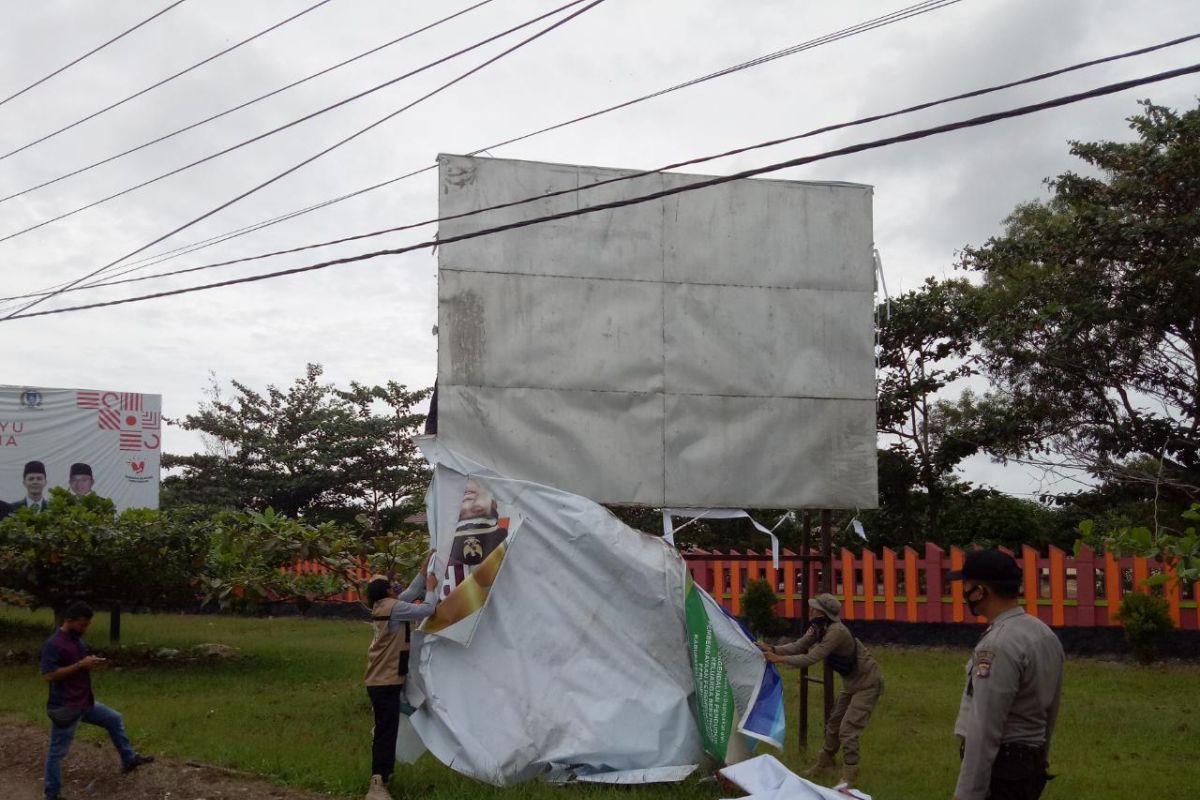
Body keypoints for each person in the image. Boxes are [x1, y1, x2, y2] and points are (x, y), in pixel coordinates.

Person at [948, 549, 1064, 800]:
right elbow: (1051, 708)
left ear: (980, 591)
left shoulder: (998, 644)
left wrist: (967, 794)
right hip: (1028, 764)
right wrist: (1041, 757)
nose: (964, 592)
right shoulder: (1042, 633)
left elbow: (985, 725)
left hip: (1003, 768)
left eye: (966, 585)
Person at [761, 594, 883, 787]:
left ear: (824, 613)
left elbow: (811, 658)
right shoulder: (818, 628)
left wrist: (779, 660)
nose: (811, 610)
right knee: (834, 724)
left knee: (848, 729)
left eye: (815, 608)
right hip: (851, 684)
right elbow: (800, 646)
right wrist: (773, 649)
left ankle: (850, 774)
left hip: (868, 683)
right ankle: (824, 763)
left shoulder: (836, 632)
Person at [40, 601, 154, 800]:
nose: (85, 629)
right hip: (66, 706)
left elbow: (78, 664)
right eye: (82, 625)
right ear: (68, 620)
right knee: (57, 752)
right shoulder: (54, 644)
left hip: (85, 702)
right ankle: (51, 794)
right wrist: (79, 665)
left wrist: (90, 662)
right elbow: (49, 675)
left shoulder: (77, 640)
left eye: (87, 625)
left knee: (114, 718)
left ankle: (129, 760)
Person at [364, 552, 439, 800]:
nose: (396, 587)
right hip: (384, 682)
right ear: (388, 591)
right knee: (386, 731)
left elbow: (410, 593)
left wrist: (423, 568)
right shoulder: (395, 608)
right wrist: (431, 588)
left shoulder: (384, 605)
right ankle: (377, 784)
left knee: (390, 728)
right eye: (392, 585)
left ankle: (385, 775)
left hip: (380, 679)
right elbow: (427, 608)